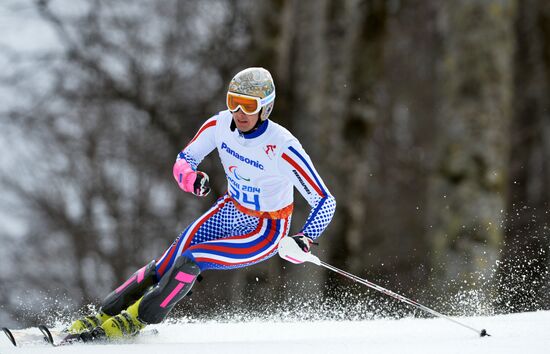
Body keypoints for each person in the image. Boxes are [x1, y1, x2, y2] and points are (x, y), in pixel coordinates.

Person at [68, 67, 336, 341]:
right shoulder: (219, 125)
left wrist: (306, 237)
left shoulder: (282, 146)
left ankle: (130, 322)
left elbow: (325, 200)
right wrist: (190, 178)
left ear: (265, 108)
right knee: (165, 264)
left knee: (192, 261)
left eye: (249, 105)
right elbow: (184, 160)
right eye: (234, 102)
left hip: (265, 229)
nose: (240, 112)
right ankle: (99, 316)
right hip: (229, 210)